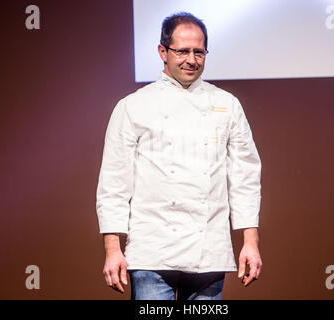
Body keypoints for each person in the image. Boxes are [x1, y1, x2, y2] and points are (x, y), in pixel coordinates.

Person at [96, 12, 263, 300]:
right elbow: (114, 183)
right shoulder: (133, 107)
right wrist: (113, 249)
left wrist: (251, 241)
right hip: (151, 250)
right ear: (163, 52)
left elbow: (244, 178)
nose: (192, 59)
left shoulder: (227, 105)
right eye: (182, 51)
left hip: (207, 249)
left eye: (199, 52)